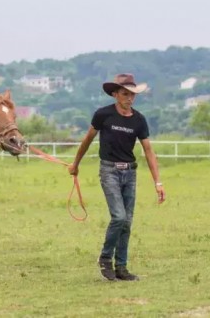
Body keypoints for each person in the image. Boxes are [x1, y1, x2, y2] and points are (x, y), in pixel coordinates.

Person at [68, 73, 166, 281]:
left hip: (130, 172)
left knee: (127, 222)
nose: (129, 98)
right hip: (109, 170)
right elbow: (87, 140)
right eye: (125, 94)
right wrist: (75, 164)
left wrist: (158, 182)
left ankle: (121, 267)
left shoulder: (139, 120)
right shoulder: (103, 115)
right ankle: (105, 258)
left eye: (132, 95)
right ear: (115, 94)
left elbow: (148, 150)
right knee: (119, 217)